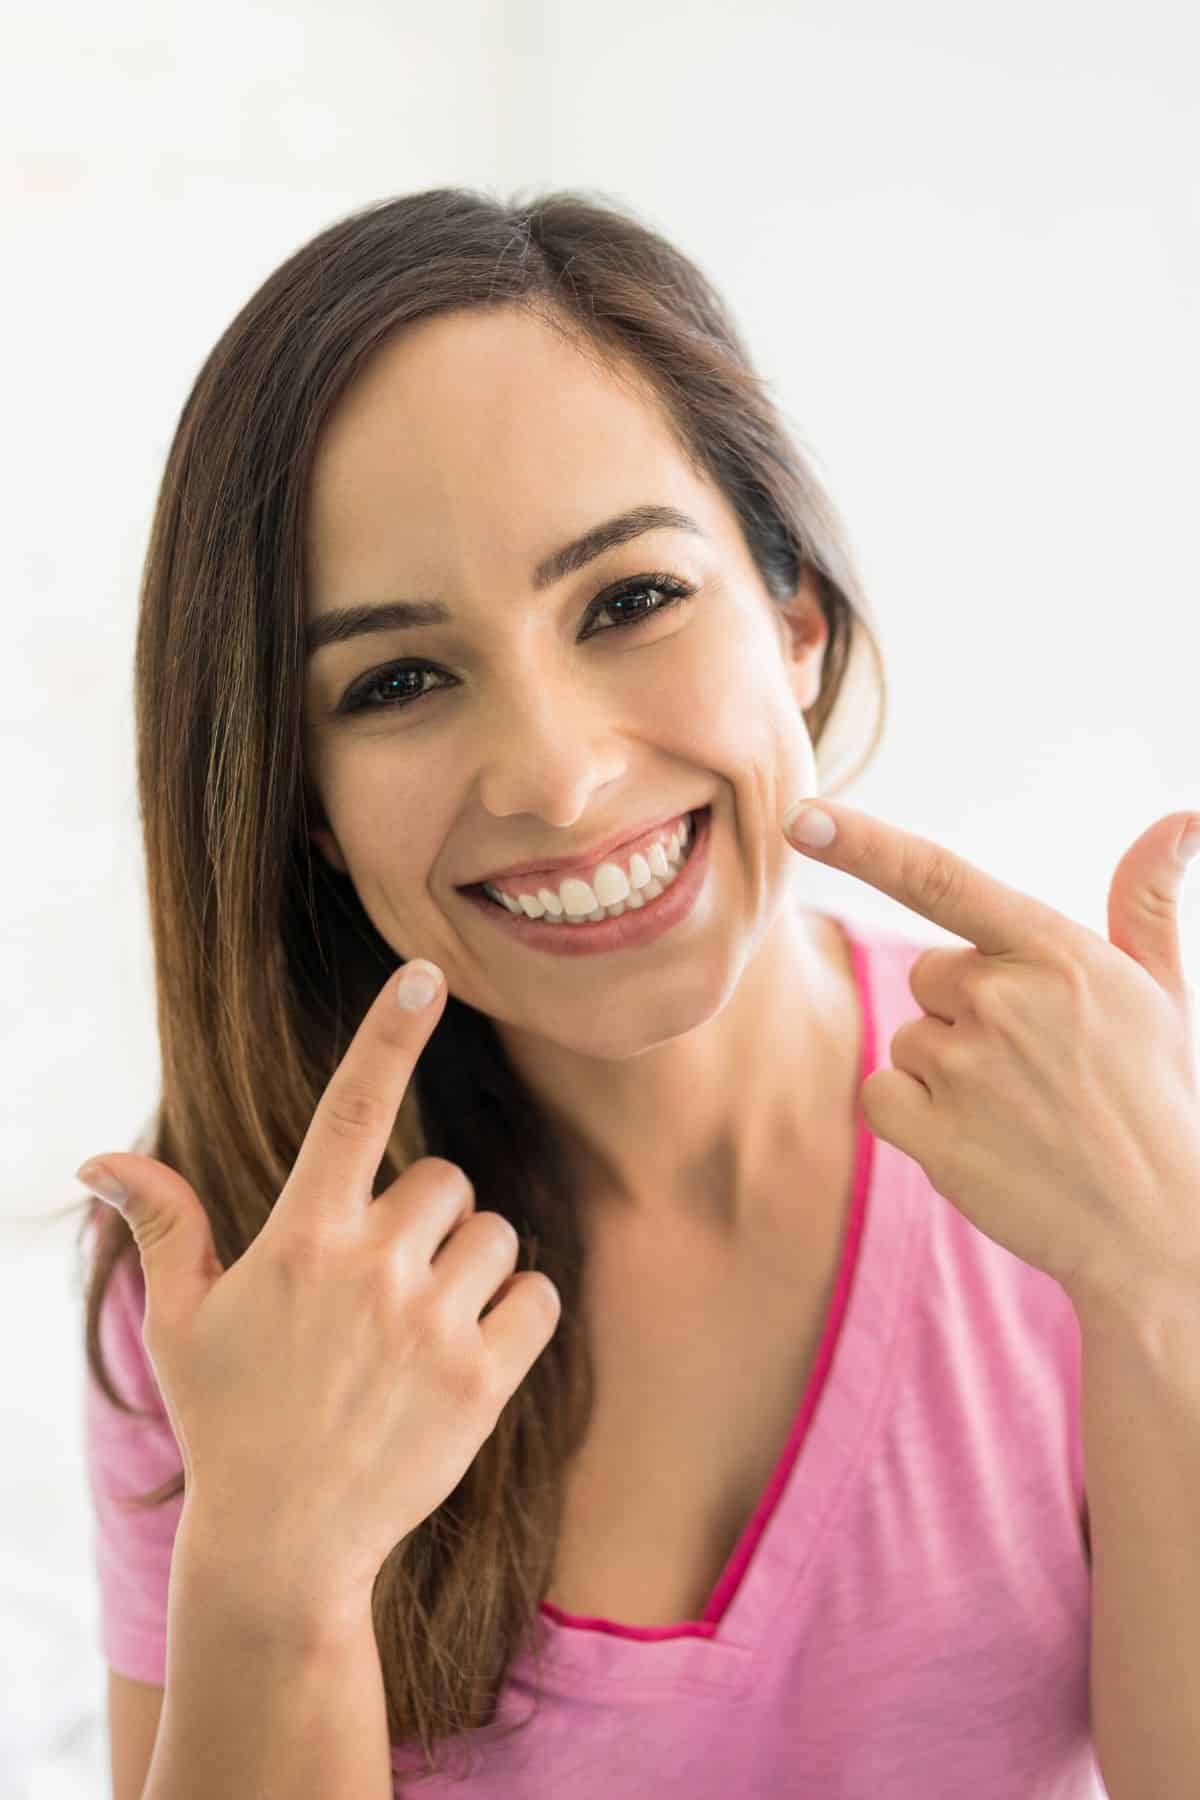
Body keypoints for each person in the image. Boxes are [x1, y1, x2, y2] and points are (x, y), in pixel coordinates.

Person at [74, 189, 1099, 1797]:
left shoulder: (1083, 1144)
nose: (556, 781)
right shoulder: (233, 1285)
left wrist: (1166, 1285)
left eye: (629, 600)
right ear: (307, 815)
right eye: (399, 681)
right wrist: (273, 1566)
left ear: (797, 621)